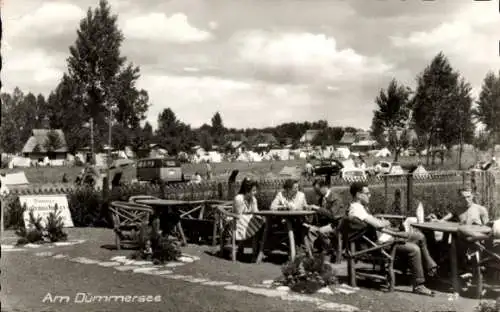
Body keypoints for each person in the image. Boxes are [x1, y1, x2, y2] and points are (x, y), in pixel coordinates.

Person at [347, 182, 437, 296]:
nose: (370, 195)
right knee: (414, 249)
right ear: (359, 195)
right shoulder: (356, 209)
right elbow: (378, 224)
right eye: (367, 193)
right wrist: (386, 222)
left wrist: (382, 224)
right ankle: (420, 283)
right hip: (377, 244)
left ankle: (429, 266)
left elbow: (375, 223)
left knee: (419, 236)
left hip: (382, 237)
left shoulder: (360, 207)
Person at [232, 178, 265, 243]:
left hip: (247, 221)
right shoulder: (239, 199)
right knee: (256, 221)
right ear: (247, 190)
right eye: (253, 190)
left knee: (262, 220)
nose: (255, 192)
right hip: (236, 222)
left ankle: (259, 244)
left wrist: (261, 217)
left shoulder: (253, 199)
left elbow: (256, 211)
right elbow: (238, 216)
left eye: (255, 190)